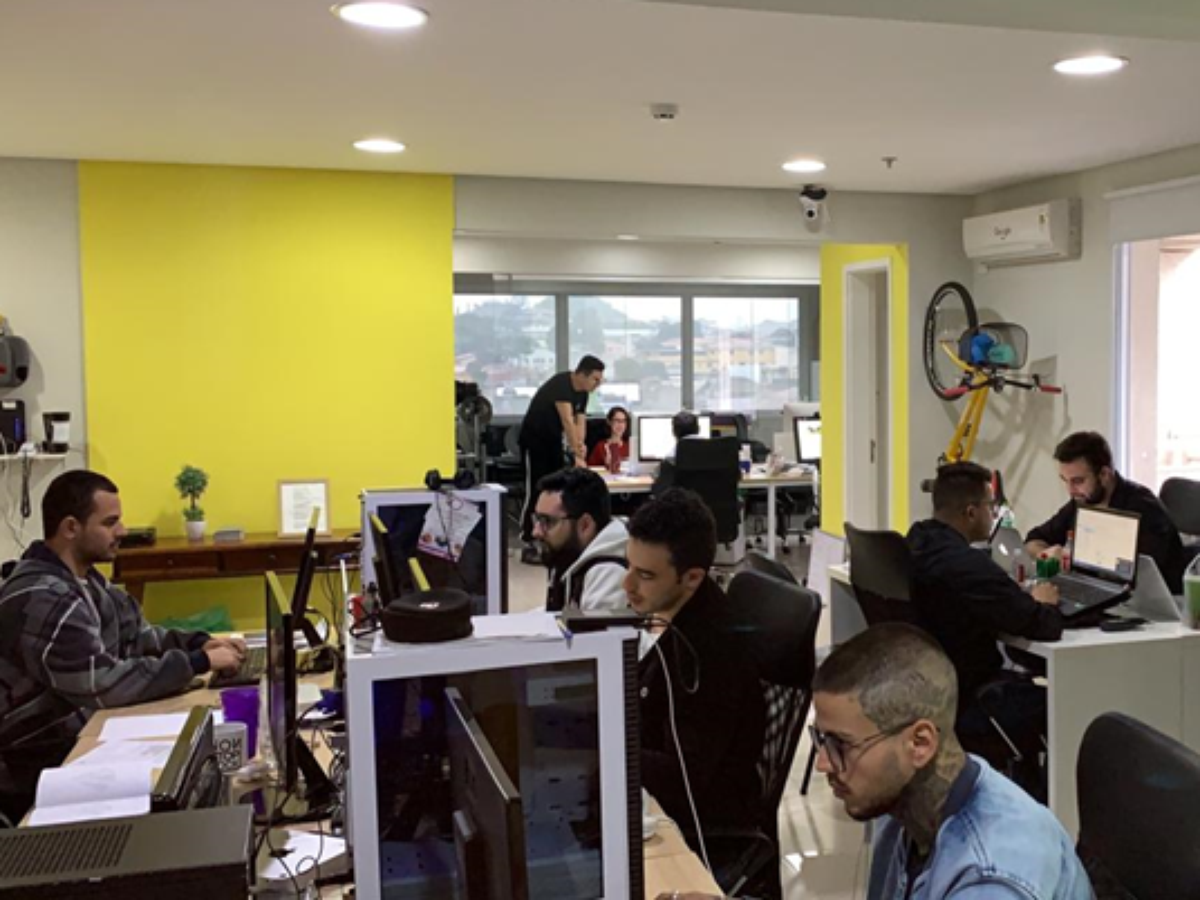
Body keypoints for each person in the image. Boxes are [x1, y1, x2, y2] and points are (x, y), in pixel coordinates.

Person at [0, 470, 245, 824]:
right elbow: (104, 684)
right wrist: (197, 662)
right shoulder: (44, 597)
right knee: (177, 791)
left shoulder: (84, 582)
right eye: (110, 522)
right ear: (71, 528)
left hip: (76, 739)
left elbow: (138, 638)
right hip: (34, 762)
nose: (122, 531)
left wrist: (199, 642)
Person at [812, 623, 1092, 899]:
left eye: (841, 744)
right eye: (821, 739)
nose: (822, 763)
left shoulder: (991, 878)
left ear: (920, 744)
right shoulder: (901, 805)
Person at [625, 489, 765, 850]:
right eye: (629, 567)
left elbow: (683, 778)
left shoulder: (709, 652)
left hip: (700, 828)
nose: (627, 585)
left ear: (691, 578)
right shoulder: (675, 619)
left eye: (645, 575)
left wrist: (601, 748)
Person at [908, 462, 1062, 785]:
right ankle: (1044, 800)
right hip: (972, 698)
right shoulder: (967, 565)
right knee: (1065, 703)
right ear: (971, 512)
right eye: (991, 507)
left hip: (930, 691)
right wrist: (1043, 601)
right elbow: (1041, 624)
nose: (993, 514)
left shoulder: (917, 540)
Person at [1025, 430, 1185, 592]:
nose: (1070, 490)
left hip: (1151, 601)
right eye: (1065, 481)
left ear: (1104, 474)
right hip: (1099, 592)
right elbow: (1033, 540)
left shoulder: (1144, 509)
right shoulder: (1081, 501)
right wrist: (1047, 555)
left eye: (1078, 481)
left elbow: (1145, 578)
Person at [517, 355, 606, 561]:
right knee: (537, 488)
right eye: (595, 379)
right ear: (582, 375)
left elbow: (580, 421)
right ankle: (528, 536)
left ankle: (551, 535)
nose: (597, 384)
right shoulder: (561, 384)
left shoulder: (583, 393)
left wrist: (581, 448)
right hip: (535, 442)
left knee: (555, 488)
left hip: (554, 443)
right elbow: (567, 420)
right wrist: (576, 452)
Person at [532, 467, 629, 612]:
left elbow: (593, 627)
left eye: (547, 521)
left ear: (585, 525)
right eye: (537, 519)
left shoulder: (609, 573)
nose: (536, 532)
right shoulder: (567, 554)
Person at [651, 410, 702, 496]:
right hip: (711, 503)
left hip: (683, 503)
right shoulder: (716, 452)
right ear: (699, 429)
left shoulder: (671, 458)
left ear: (674, 432)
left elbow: (660, 490)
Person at [586, 405, 631, 470]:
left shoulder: (630, 447)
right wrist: (605, 465)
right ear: (609, 422)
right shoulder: (600, 447)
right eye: (617, 420)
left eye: (623, 421)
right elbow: (590, 469)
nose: (620, 424)